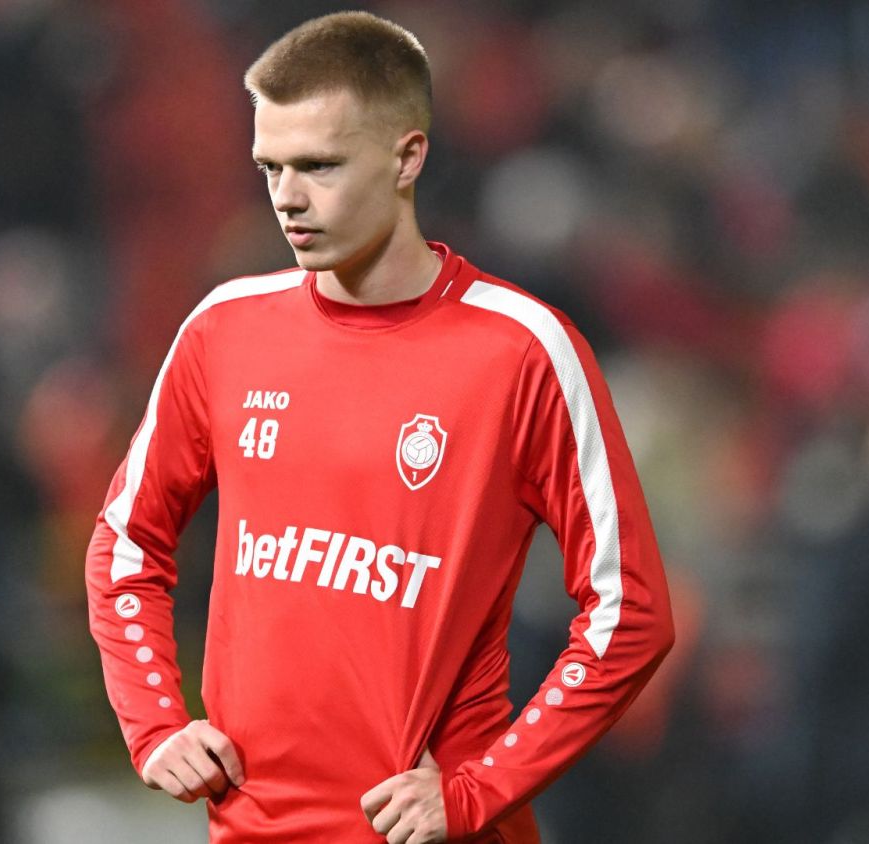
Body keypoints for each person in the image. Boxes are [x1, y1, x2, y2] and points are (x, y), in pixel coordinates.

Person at [85, 11, 674, 843]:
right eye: (271, 167)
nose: (288, 198)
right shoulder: (225, 328)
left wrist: (480, 788)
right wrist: (154, 723)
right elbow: (125, 542)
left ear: (408, 157)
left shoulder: (521, 350)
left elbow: (630, 611)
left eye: (320, 165)